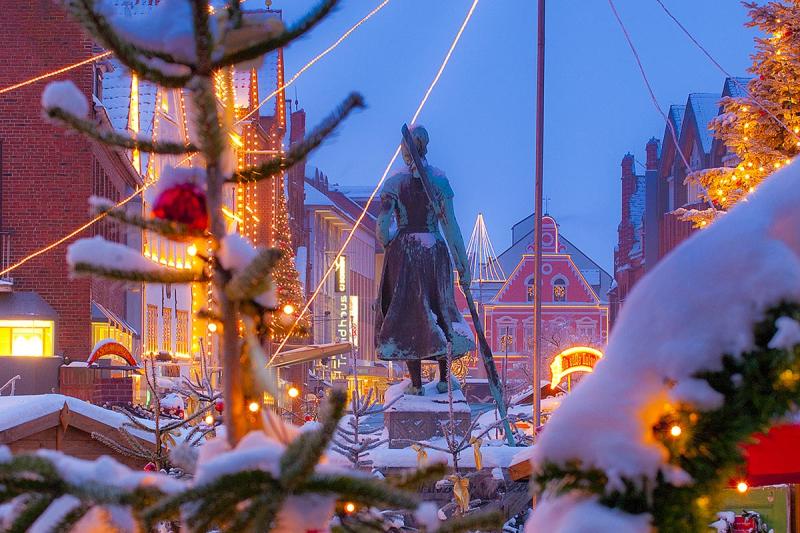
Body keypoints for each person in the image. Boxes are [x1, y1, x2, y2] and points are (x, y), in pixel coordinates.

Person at [375, 125, 475, 395]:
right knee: (441, 309)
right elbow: (451, 226)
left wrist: (392, 244)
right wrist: (462, 265)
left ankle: (416, 384)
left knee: (410, 313)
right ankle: (444, 379)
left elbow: (382, 227)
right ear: (425, 147)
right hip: (434, 251)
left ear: (406, 149)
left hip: (405, 252)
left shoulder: (394, 183)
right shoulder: (439, 181)